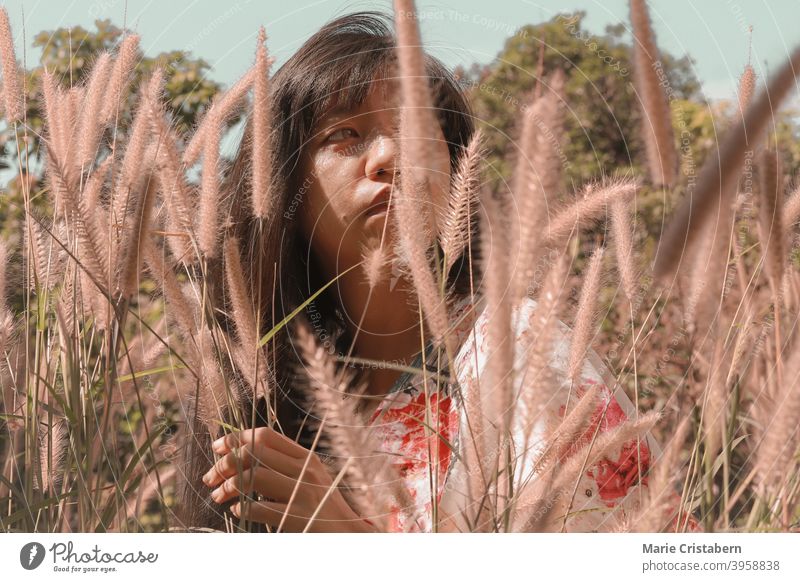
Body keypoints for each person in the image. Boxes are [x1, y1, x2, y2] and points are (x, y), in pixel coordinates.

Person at [176, 11, 691, 533]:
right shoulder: (265, 398)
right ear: (282, 182)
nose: (389, 155)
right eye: (346, 133)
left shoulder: (519, 354)